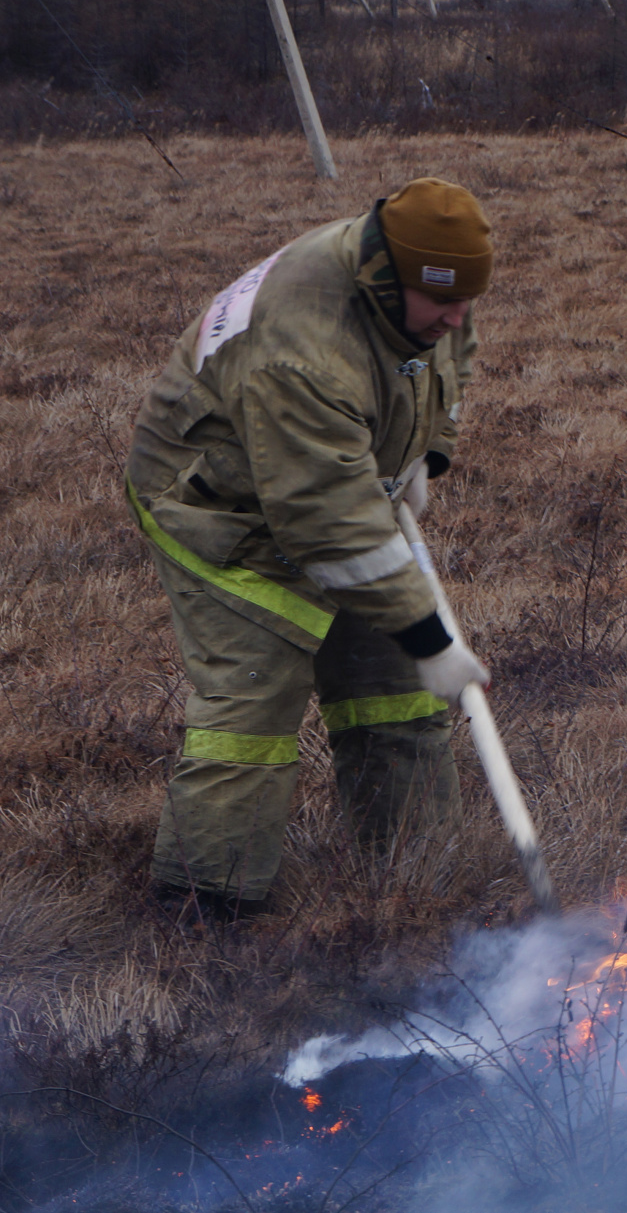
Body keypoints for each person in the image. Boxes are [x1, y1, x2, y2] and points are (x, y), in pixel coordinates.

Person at [126, 178, 495, 918]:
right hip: (222, 509)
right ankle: (208, 910)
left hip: (334, 481)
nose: (456, 317)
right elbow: (328, 524)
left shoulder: (429, 287)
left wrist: (427, 456)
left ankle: (415, 885)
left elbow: (447, 363)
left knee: (396, 692)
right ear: (386, 279)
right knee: (252, 715)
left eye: (466, 301)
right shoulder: (304, 346)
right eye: (442, 304)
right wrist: (429, 635)